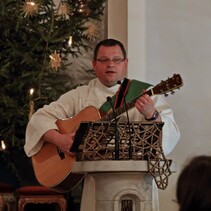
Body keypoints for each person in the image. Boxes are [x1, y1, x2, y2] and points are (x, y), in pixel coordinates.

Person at [24, 38, 180, 210]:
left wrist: (152, 114)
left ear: (125, 63)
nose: (110, 65)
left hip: (138, 181)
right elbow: (38, 119)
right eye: (104, 60)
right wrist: (58, 139)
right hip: (96, 182)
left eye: (116, 60)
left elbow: (170, 134)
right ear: (94, 64)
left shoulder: (146, 94)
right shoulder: (81, 95)